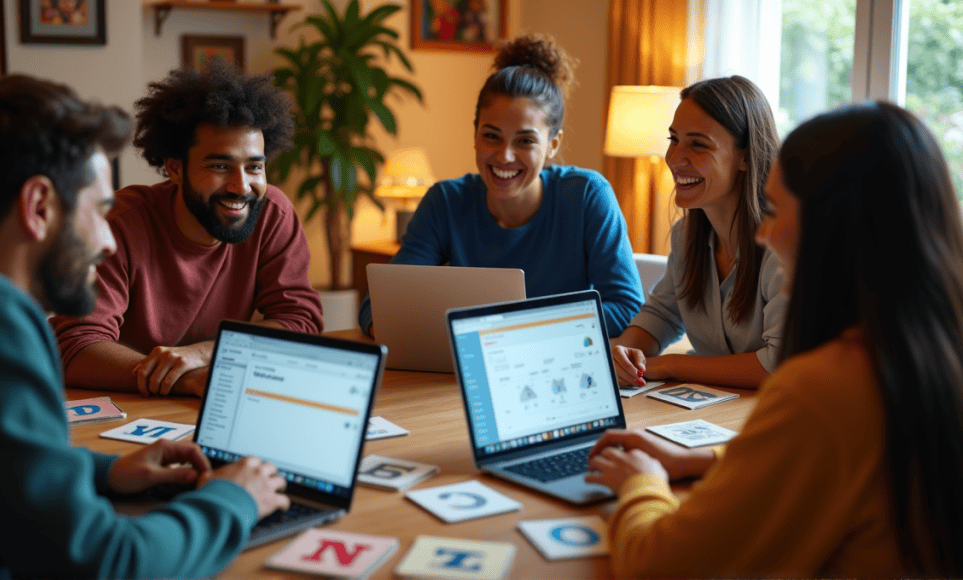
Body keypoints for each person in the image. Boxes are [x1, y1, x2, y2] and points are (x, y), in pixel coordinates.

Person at [586, 101, 963, 577]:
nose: (763, 232)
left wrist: (643, 482)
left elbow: (656, 565)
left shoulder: (824, 389)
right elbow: (833, 457)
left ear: (832, 226)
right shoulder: (931, 348)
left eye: (777, 209)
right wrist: (701, 460)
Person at [0, 74, 291, 578]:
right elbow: (106, 562)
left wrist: (106, 471)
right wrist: (231, 500)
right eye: (101, 210)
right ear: (39, 207)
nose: (107, 239)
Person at [51, 61, 323, 398]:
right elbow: (76, 347)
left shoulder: (272, 214)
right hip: (127, 405)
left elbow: (299, 322)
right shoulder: (121, 224)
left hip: (212, 400)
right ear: (175, 169)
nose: (242, 186)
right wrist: (186, 379)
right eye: (220, 166)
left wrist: (207, 353)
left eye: (254, 167)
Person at [358, 34, 643, 338]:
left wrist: (512, 331)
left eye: (525, 141)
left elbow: (627, 308)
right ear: (475, 134)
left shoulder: (586, 195)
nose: (505, 156)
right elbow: (378, 307)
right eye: (491, 136)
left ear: (552, 145)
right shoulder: (446, 201)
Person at [612, 76, 785, 389]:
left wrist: (671, 364)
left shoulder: (784, 246)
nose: (676, 158)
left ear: (746, 156)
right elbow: (663, 314)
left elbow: (777, 365)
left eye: (698, 144)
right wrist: (624, 354)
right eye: (674, 139)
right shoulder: (686, 235)